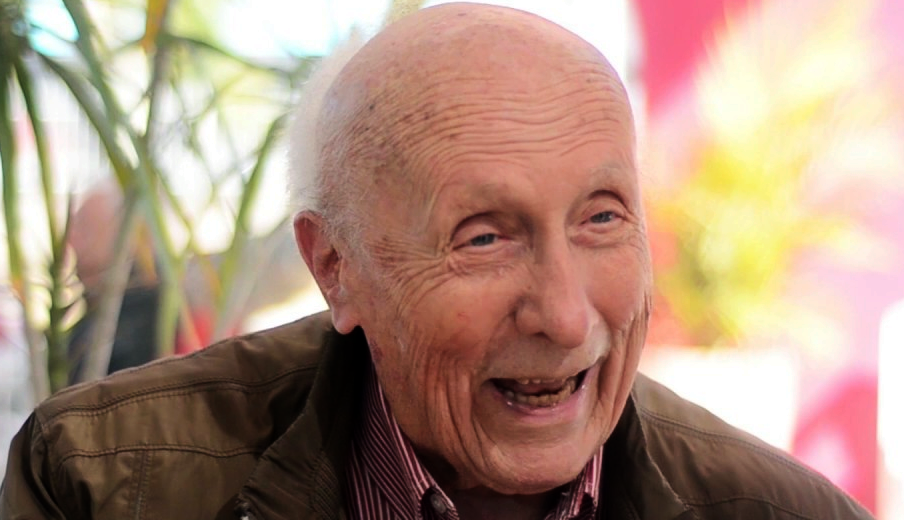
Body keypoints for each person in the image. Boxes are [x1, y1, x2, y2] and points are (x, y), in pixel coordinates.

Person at [0, 3, 874, 519]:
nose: (565, 317)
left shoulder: (781, 510)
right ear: (334, 267)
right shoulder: (101, 481)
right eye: (484, 238)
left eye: (602, 219)